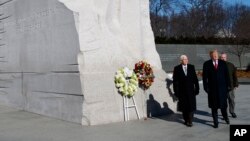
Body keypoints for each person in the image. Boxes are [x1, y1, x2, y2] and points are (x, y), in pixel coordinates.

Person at [203, 50, 230, 128]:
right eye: (213, 55)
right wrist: (206, 88)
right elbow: (205, 78)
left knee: (223, 106)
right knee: (214, 107)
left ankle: (226, 117)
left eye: (216, 54)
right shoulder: (207, 64)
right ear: (211, 55)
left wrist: (228, 86)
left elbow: (226, 75)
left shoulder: (223, 63)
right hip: (212, 90)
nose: (215, 56)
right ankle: (216, 122)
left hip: (222, 89)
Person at [173, 55, 199, 127]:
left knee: (191, 106)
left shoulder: (191, 67)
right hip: (182, 92)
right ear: (181, 60)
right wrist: (176, 91)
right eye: (184, 59)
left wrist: (197, 88)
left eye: (187, 59)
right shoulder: (177, 68)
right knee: (184, 107)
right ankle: (186, 120)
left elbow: (195, 79)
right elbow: (175, 81)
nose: (186, 60)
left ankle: (190, 120)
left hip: (191, 91)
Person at [220, 52, 239, 118]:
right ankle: (224, 114)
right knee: (223, 102)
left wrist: (235, 84)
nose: (223, 59)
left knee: (231, 100)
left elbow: (234, 75)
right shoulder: (217, 66)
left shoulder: (231, 65)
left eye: (224, 57)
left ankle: (232, 111)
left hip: (230, 86)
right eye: (222, 57)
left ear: (226, 58)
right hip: (221, 87)